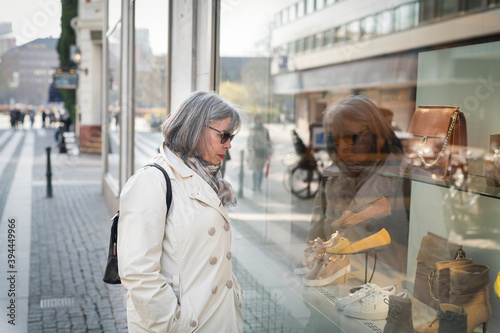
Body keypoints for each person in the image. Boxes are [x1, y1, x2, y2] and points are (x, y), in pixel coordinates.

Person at [118, 91, 244, 333]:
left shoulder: (209, 179)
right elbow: (137, 271)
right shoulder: (152, 181)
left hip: (217, 317)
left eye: (232, 137)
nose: (229, 144)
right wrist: (174, 322)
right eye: (224, 135)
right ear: (196, 129)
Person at [307, 95, 409, 272]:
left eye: (351, 137)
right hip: (334, 283)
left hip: (386, 290)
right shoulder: (331, 176)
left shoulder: (409, 180)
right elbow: (315, 238)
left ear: (376, 135)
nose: (342, 147)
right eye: (335, 140)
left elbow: (430, 258)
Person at [247, 113, 272, 192]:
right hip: (255, 153)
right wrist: (250, 151)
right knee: (255, 170)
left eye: (260, 118)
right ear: (255, 120)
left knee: (260, 170)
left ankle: (259, 186)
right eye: (257, 119)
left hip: (263, 153)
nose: (259, 120)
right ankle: (255, 186)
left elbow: (269, 142)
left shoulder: (265, 130)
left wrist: (270, 152)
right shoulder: (252, 129)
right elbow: (249, 141)